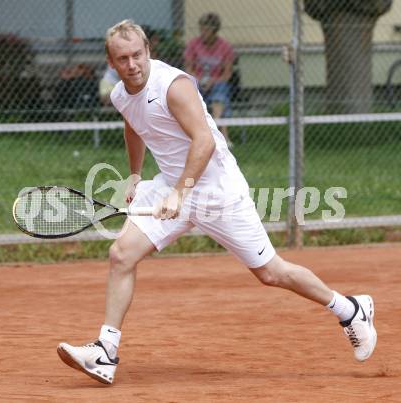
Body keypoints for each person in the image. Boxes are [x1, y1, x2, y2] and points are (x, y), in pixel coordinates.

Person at [57, 20, 377, 385]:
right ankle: (106, 352)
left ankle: (350, 309)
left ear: (148, 51)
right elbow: (134, 123)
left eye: (138, 55)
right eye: (123, 58)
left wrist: (181, 192)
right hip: (170, 184)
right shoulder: (120, 94)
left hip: (217, 189)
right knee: (121, 255)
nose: (132, 64)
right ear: (111, 63)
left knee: (271, 272)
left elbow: (205, 142)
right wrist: (134, 175)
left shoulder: (173, 87)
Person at [184, 12, 235, 147]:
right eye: (201, 28)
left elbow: (227, 74)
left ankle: (221, 135)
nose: (202, 32)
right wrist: (200, 79)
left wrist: (213, 81)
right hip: (198, 81)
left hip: (217, 82)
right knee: (190, 89)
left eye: (206, 30)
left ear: (214, 30)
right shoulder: (193, 44)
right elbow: (188, 69)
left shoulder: (225, 47)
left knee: (220, 92)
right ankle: (197, 135)